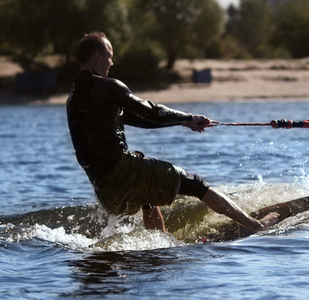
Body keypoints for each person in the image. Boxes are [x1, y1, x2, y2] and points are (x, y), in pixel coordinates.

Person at [66, 31, 279, 233]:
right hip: (122, 172)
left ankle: (158, 243)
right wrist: (188, 117)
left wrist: (182, 123)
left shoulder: (73, 100)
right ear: (97, 56)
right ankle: (255, 225)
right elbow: (151, 111)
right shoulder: (109, 87)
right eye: (109, 57)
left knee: (148, 191)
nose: (111, 63)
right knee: (195, 184)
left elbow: (142, 120)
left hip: (104, 191)